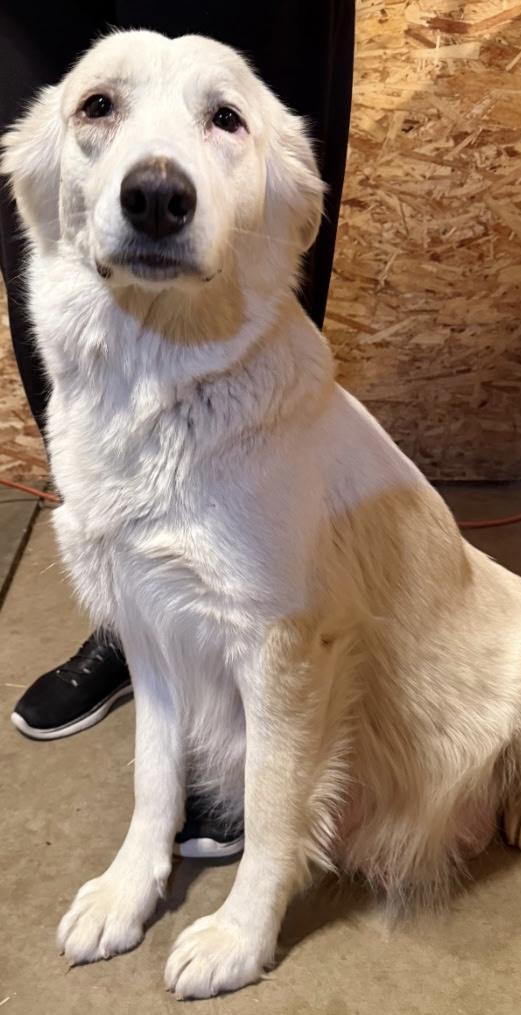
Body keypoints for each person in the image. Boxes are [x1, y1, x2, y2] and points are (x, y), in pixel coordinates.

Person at [1, 1, 355, 857]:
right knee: (125, 549)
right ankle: (131, 632)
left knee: (264, 590)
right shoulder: (40, 169)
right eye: (99, 110)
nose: (157, 186)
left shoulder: (279, 183)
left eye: (220, 122)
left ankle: (248, 627)